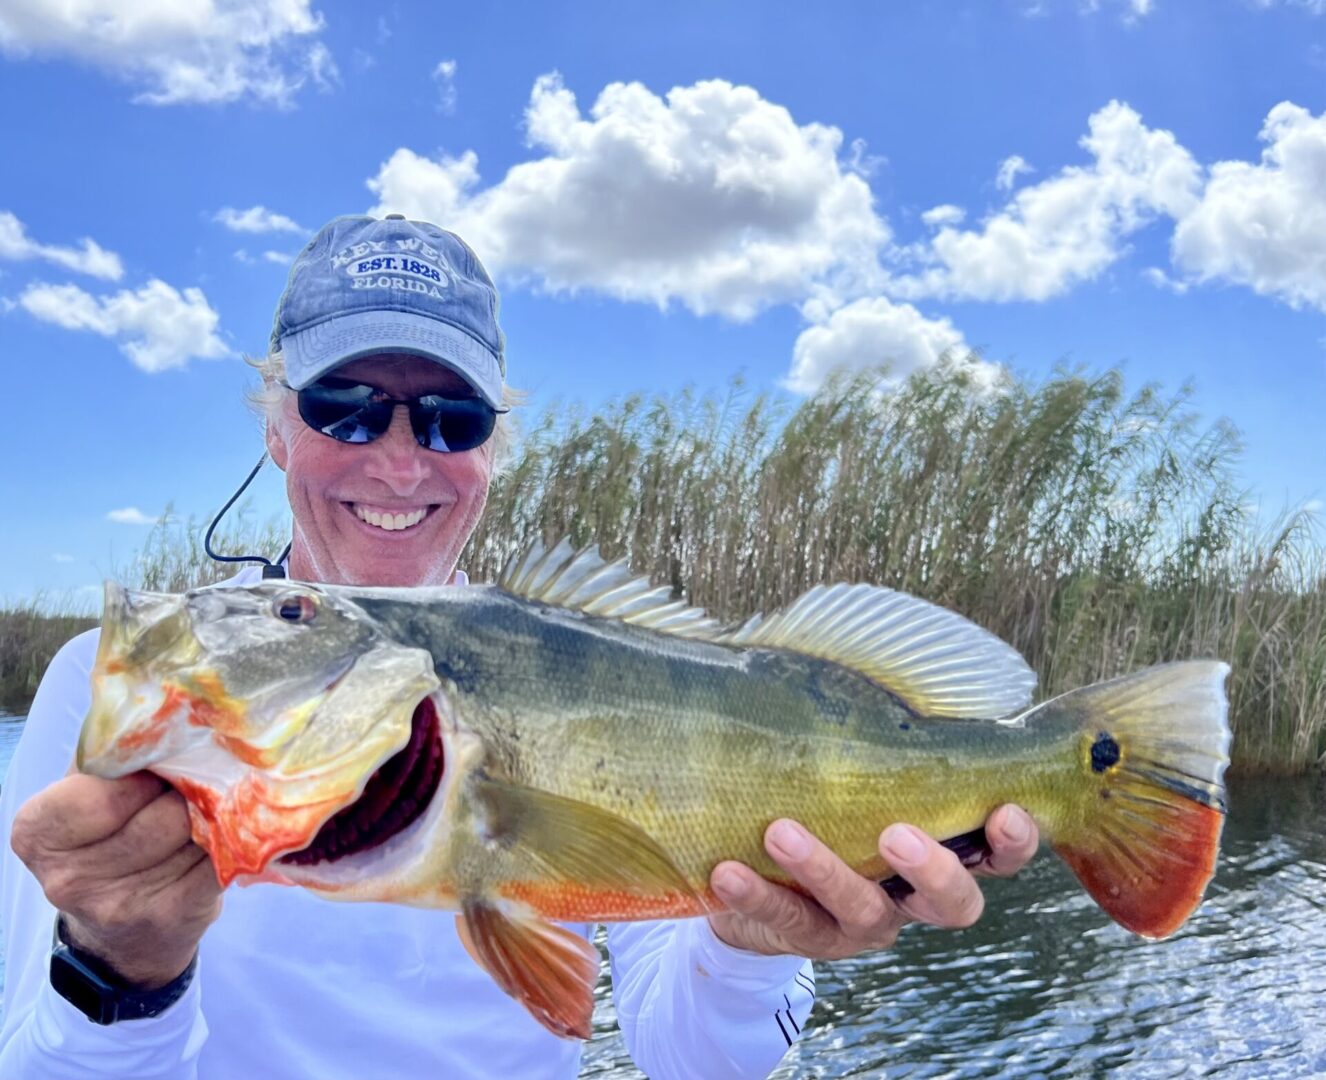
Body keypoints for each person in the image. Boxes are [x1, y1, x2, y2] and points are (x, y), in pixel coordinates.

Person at [0, 214, 1040, 1079]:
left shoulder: (599, 664)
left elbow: (691, 1061)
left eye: (450, 419)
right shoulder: (113, 689)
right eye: (347, 409)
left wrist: (747, 948)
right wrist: (119, 969)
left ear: (492, 448)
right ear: (276, 427)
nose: (401, 462)